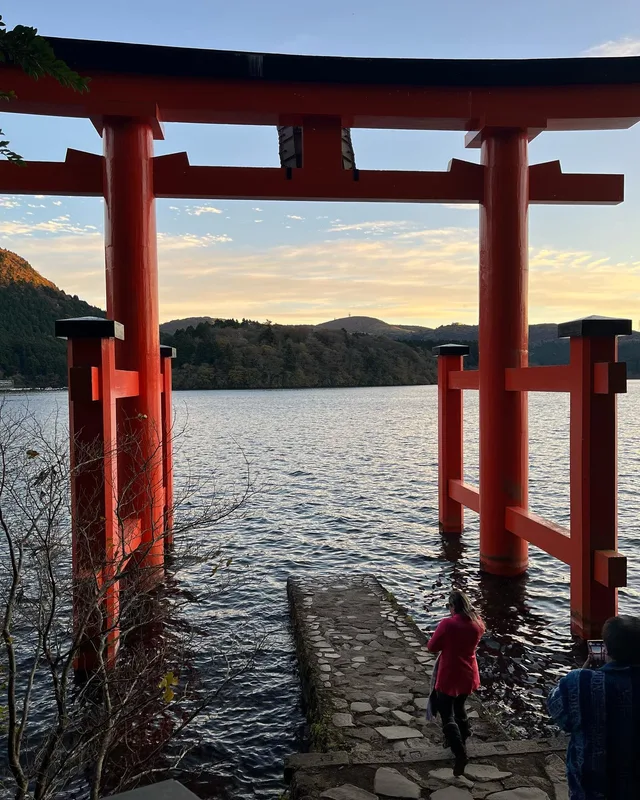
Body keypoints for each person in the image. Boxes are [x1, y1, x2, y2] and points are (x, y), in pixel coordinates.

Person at [547, 614, 640, 800]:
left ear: (606, 649)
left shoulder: (581, 681)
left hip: (591, 783)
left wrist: (582, 672)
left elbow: (557, 711)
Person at [426, 590, 485, 775]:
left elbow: (431, 647)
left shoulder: (448, 624)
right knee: (459, 707)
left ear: (453, 606)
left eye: (449, 606)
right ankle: (464, 736)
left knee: (446, 713)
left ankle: (459, 753)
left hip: (450, 672)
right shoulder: (478, 623)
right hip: (469, 672)